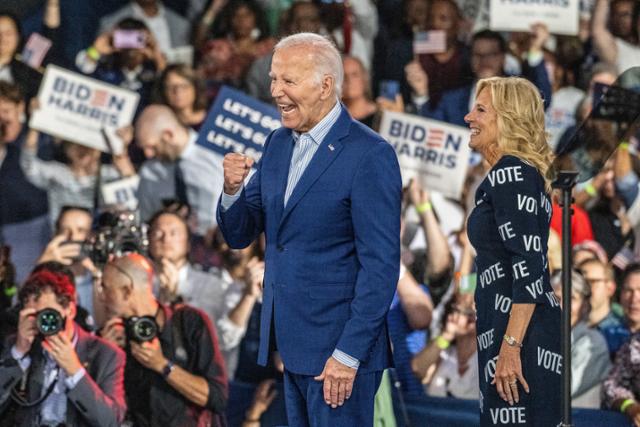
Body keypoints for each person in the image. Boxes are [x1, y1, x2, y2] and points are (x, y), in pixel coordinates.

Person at [217, 33, 402, 426]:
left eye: (288, 81)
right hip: (292, 346)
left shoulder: (370, 154)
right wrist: (232, 190)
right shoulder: (277, 144)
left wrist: (348, 355)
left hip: (339, 354)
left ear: (325, 85)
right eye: (273, 79)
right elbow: (239, 234)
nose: (275, 92)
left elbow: (381, 268)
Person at [465, 77, 561, 426]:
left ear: (508, 119)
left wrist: (510, 347)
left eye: (480, 110)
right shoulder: (518, 173)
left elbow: (530, 266)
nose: (468, 117)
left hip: (520, 338)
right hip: (510, 330)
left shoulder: (513, 173)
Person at [99, 253, 228, 426]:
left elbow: (216, 397)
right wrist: (106, 354)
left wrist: (162, 365)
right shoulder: (113, 335)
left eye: (106, 288)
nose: (101, 297)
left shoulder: (188, 322)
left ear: (126, 291)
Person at [0, 266, 126, 426]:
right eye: (34, 316)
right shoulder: (18, 345)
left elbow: (110, 421)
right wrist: (19, 353)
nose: (43, 323)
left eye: (48, 315)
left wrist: (74, 370)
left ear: (70, 310)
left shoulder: (105, 354)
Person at [135, 104, 224, 236]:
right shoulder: (149, 172)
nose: (148, 154)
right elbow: (146, 220)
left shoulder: (218, 154)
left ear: (168, 135)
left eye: (152, 147)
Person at [550, 269, 611, 408]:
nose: (561, 306)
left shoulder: (593, 342)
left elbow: (566, 388)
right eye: (556, 298)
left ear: (584, 305)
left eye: (571, 299)